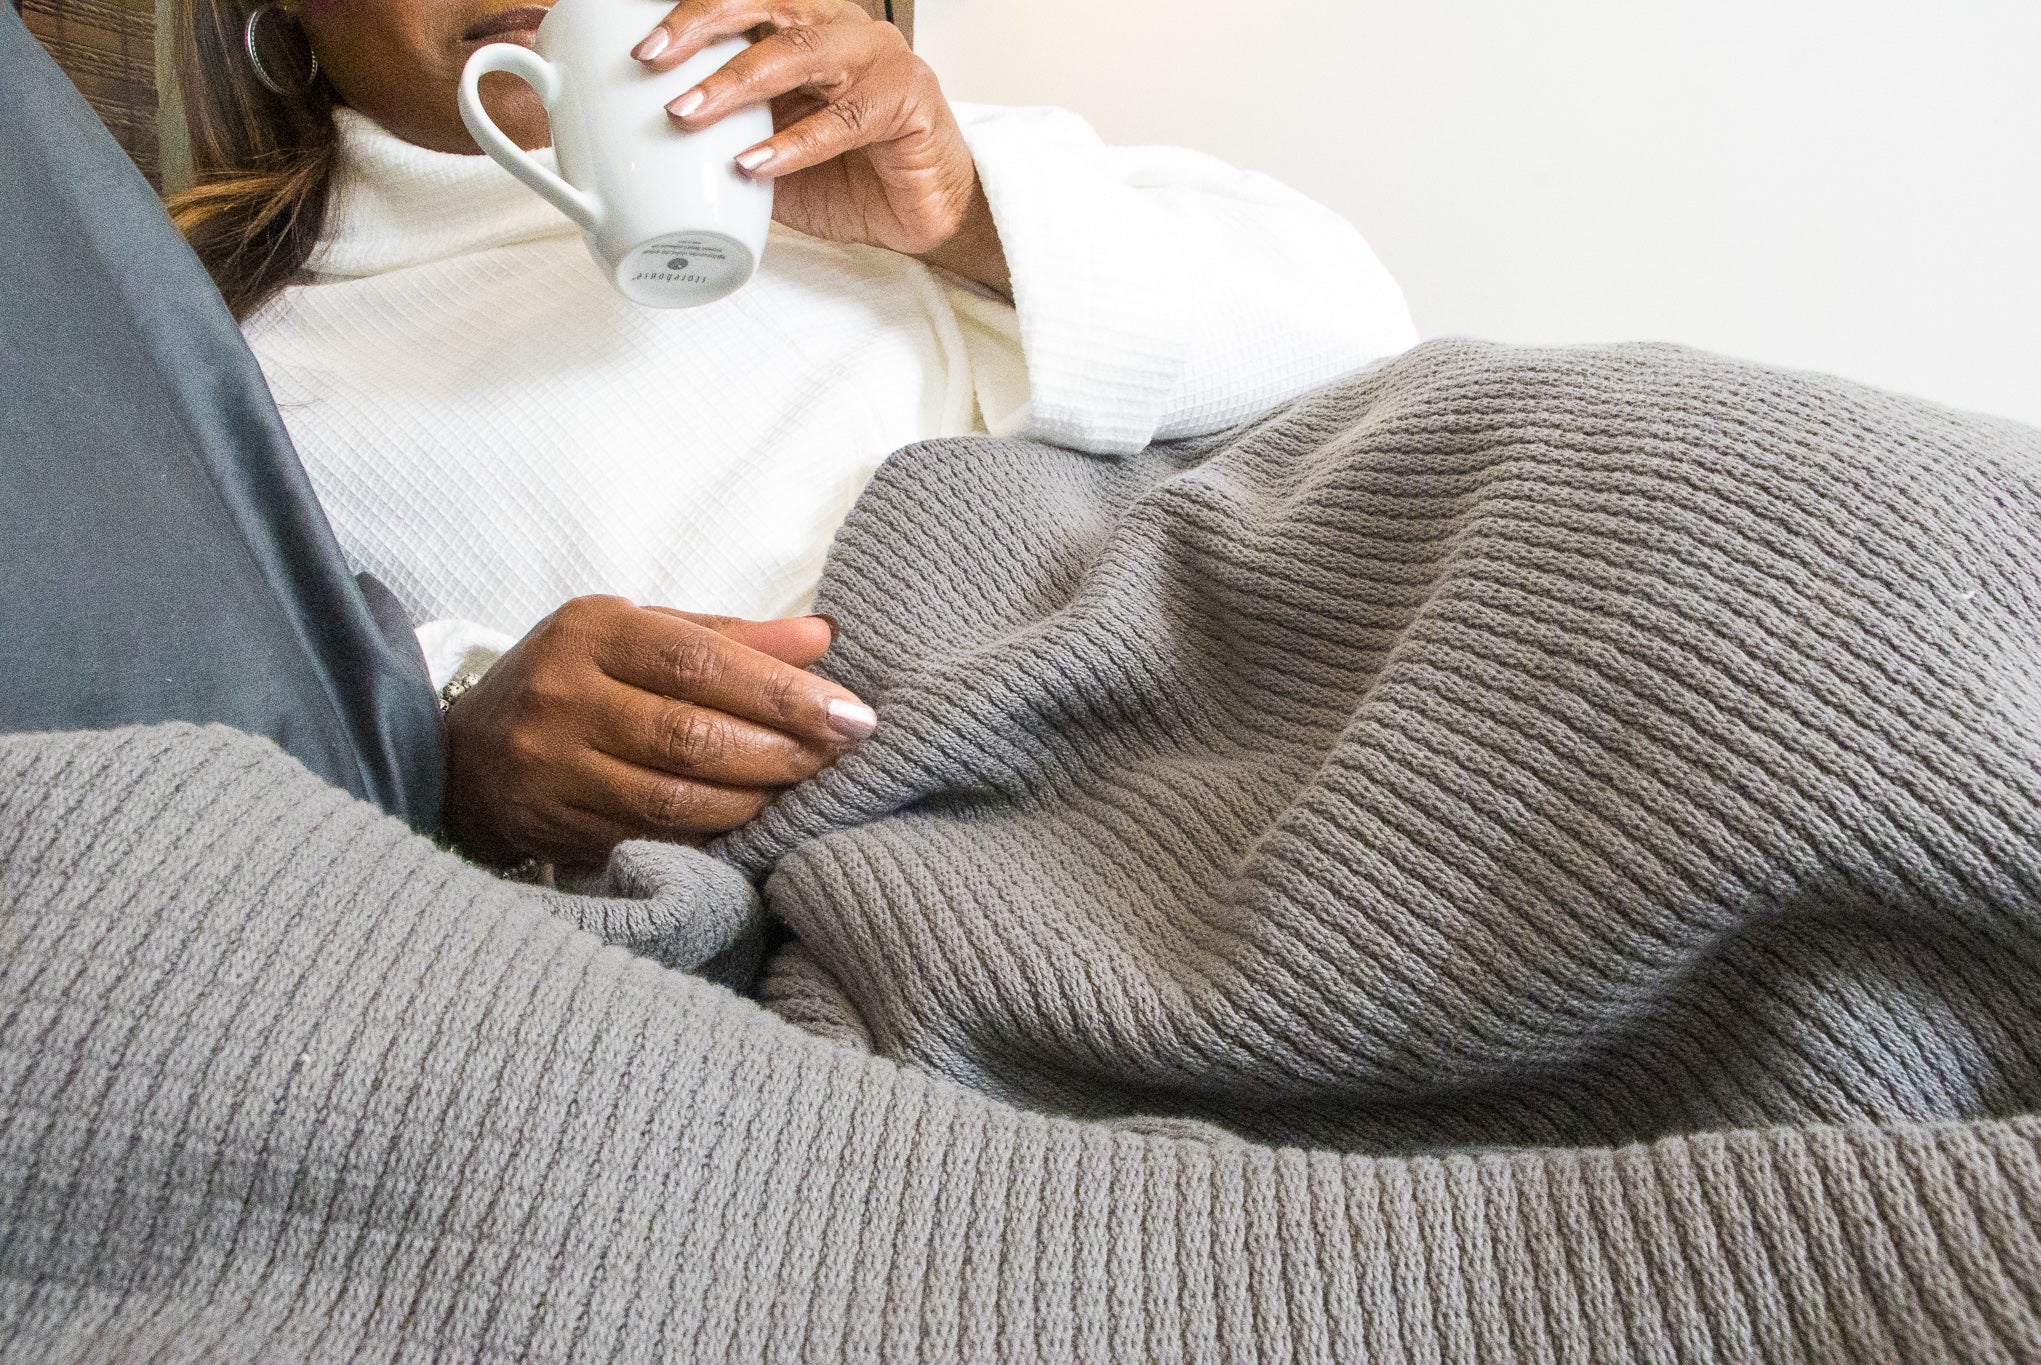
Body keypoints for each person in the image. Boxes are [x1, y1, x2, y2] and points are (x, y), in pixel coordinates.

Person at [166, 0, 1419, 867]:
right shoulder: (245, 371)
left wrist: (968, 214)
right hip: (969, 820)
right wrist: (449, 734)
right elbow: (211, 713)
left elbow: (1366, 335)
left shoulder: (867, 155)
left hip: (1254, 656)